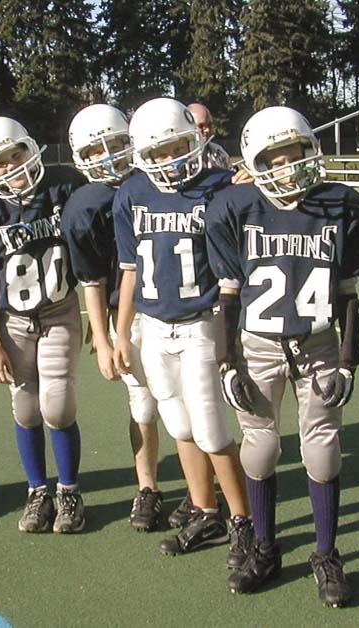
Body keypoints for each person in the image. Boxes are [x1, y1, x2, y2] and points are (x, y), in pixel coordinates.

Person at [205, 106, 359, 607]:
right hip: (257, 344)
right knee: (259, 447)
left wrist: (349, 360)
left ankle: (325, 554)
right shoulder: (235, 207)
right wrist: (226, 361)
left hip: (319, 342)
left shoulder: (341, 205)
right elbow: (228, 297)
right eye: (274, 158)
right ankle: (264, 546)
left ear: (310, 152)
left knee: (321, 449)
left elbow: (348, 293)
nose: (287, 166)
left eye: (295, 154)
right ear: (255, 164)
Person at [112, 97, 252, 569]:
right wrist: (119, 331)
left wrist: (246, 185)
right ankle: (207, 510)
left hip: (201, 321)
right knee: (179, 425)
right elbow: (129, 270)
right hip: (153, 326)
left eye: (176, 147)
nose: (168, 160)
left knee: (212, 429)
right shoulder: (131, 195)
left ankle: (243, 523)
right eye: (157, 152)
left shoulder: (218, 186)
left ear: (194, 140)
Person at [0, 116, 87, 533]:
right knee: (26, 407)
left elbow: (108, 199)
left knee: (59, 404)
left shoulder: (64, 185)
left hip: (59, 309)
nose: (10, 166)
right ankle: (37, 491)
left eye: (17, 154)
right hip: (12, 319)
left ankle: (68, 490)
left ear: (32, 149)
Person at [62, 103, 167, 532]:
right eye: (95, 150)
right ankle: (148, 487)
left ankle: (206, 486)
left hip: (182, 308)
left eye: (116, 144)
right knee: (142, 403)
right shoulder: (84, 206)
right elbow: (92, 279)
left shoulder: (159, 180)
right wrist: (104, 338)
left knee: (193, 406)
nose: (108, 156)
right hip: (128, 315)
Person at [188, 103, 232, 170]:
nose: (207, 130)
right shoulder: (180, 156)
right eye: (201, 126)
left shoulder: (218, 151)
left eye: (209, 125)